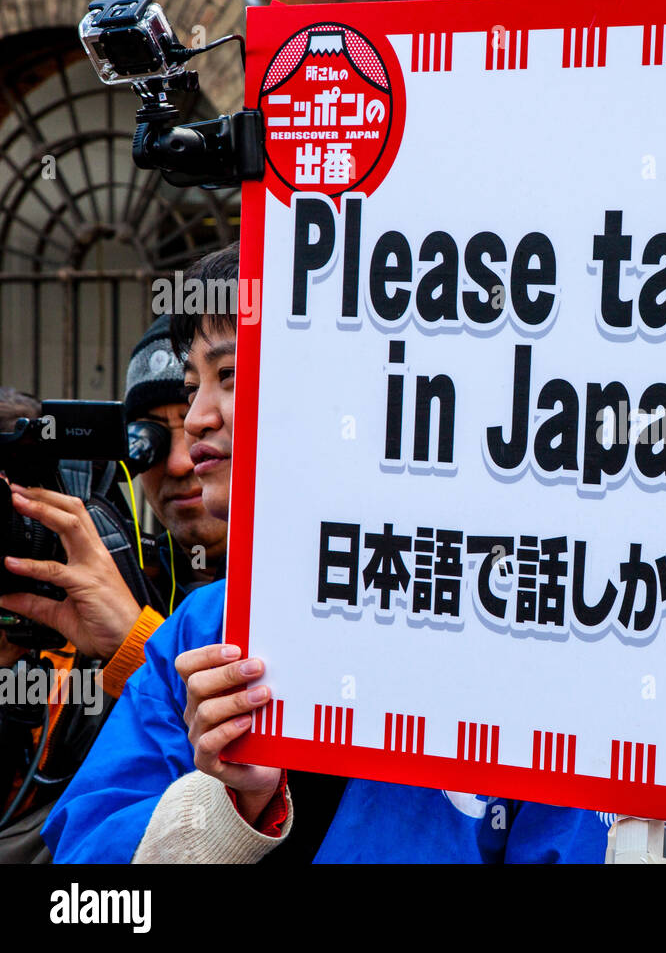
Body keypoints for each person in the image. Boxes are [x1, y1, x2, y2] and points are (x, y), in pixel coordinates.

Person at [43, 242, 607, 862]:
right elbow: (86, 875)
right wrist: (227, 806)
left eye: (228, 376)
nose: (198, 418)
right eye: (191, 385)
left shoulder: (526, 633)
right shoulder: (201, 631)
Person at [0, 314, 228, 860]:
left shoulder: (304, 601)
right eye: (147, 437)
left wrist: (134, 644)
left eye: (202, 422)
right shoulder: (70, 599)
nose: (179, 462)